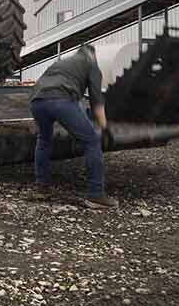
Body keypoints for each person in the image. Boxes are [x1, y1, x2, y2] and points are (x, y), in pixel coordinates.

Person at [28, 45, 118, 210]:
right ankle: (95, 195)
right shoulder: (92, 65)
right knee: (92, 141)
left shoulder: (62, 62)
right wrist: (105, 128)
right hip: (60, 100)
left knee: (44, 139)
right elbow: (96, 101)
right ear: (94, 55)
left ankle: (41, 187)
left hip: (36, 100)